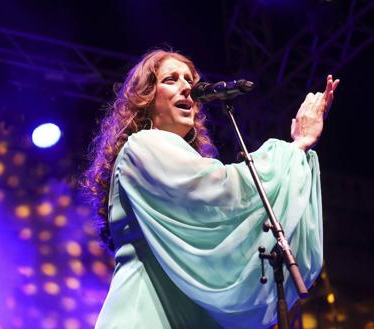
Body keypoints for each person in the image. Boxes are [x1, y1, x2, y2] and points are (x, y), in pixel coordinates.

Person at [82, 49, 339, 328]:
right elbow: (222, 190)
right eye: (171, 79)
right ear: (146, 97)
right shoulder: (141, 146)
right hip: (143, 313)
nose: (186, 88)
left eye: (189, 80)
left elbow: (225, 231)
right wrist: (296, 146)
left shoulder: (183, 162)